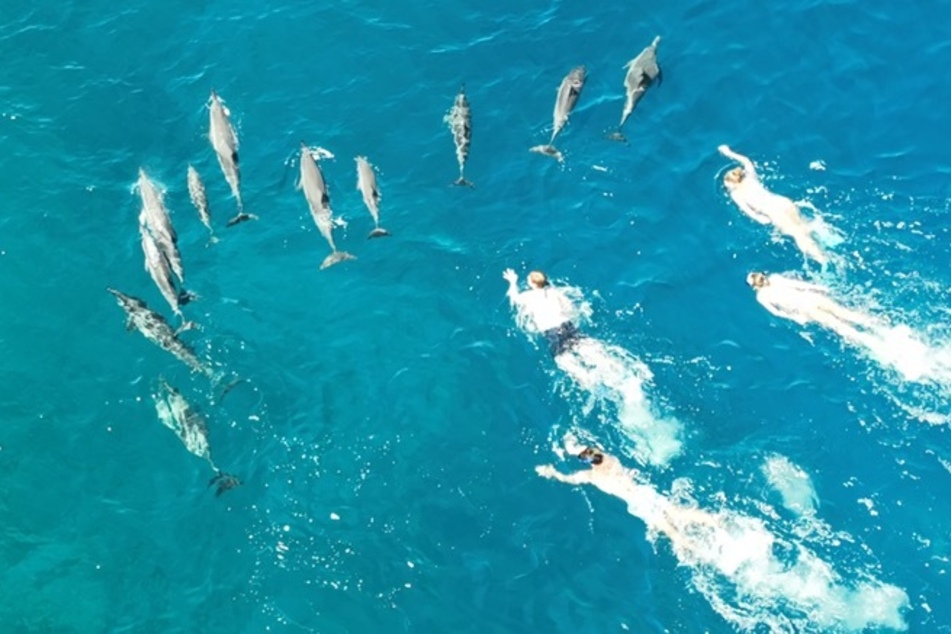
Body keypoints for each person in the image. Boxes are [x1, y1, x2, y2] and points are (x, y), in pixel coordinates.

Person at [718, 145, 829, 265]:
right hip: (784, 203)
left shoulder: (736, 194)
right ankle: (826, 234)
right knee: (802, 224)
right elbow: (746, 161)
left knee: (798, 235)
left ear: (735, 184)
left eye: (727, 184)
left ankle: (822, 259)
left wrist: (761, 219)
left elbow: (750, 212)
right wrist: (729, 152)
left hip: (775, 213)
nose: (727, 186)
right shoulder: (750, 177)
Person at [746, 271, 884, 344]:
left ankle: (868, 340)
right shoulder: (775, 279)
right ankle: (877, 325)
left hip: (805, 308)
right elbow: (798, 285)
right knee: (845, 314)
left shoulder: (762, 297)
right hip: (811, 298)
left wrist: (795, 317)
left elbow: (776, 312)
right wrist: (817, 287)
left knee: (837, 325)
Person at [503, 268, 584, 357]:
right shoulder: (555, 292)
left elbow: (514, 298)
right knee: (586, 346)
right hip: (566, 324)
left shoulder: (528, 296)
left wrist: (512, 282)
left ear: (533, 284)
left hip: (551, 331)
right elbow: (569, 306)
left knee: (562, 358)